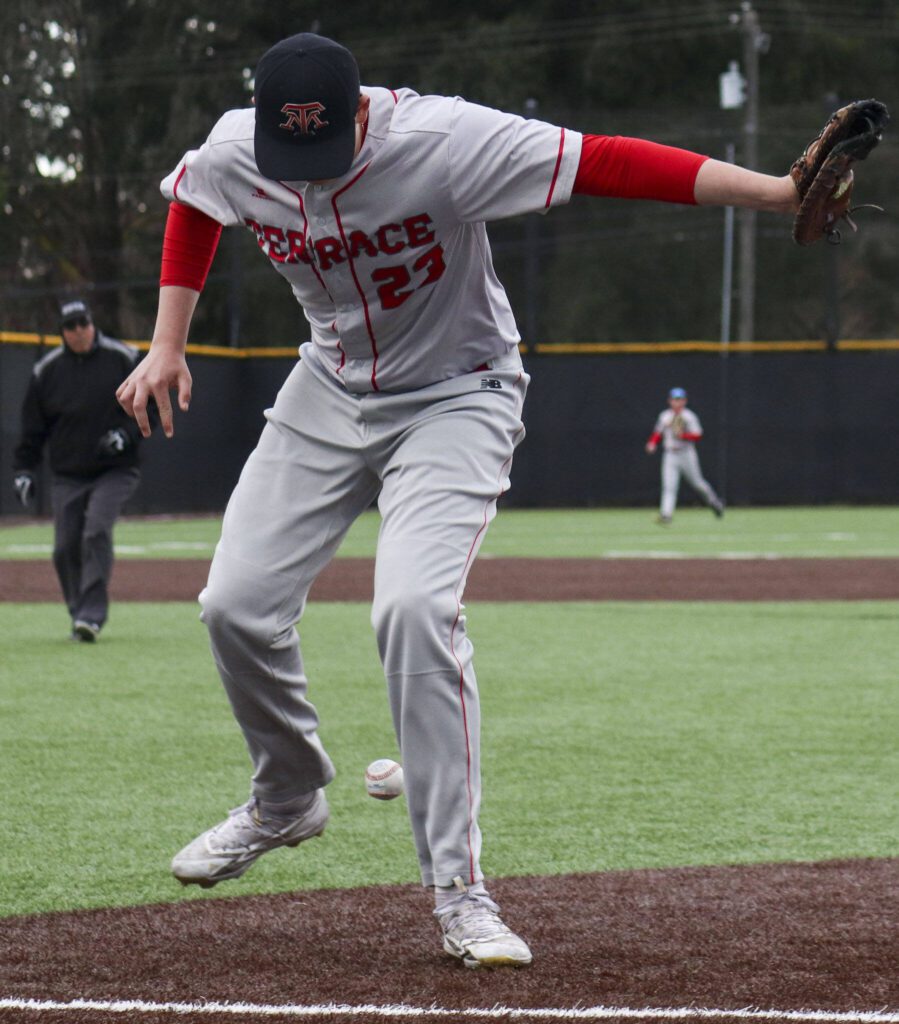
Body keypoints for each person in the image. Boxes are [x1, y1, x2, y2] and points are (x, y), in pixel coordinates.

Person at [116, 32, 799, 968]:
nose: (303, 175)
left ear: (362, 113)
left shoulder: (446, 140)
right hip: (330, 385)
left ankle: (457, 890)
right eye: (289, 155)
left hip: (459, 390)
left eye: (325, 148)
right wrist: (167, 342)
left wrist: (772, 192)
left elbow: (604, 161)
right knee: (233, 606)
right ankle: (287, 799)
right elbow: (196, 199)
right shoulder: (243, 146)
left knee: (413, 609)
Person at [13, 298, 144, 642]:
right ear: (62, 332)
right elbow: (33, 428)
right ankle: (79, 611)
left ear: (92, 323)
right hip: (68, 473)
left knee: (96, 530)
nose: (79, 331)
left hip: (115, 469)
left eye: (83, 323)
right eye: (70, 326)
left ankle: (92, 614)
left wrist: (124, 435)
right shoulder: (47, 371)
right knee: (64, 546)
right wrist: (24, 469)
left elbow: (150, 408)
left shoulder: (123, 357)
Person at [645, 386, 724, 525]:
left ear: (684, 401)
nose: (677, 402)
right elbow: (657, 432)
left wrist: (684, 435)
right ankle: (666, 514)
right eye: (675, 399)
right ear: (669, 401)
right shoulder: (665, 416)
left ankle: (714, 502)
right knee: (669, 486)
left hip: (686, 453)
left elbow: (698, 435)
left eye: (680, 399)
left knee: (698, 484)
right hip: (670, 454)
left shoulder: (689, 416)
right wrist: (652, 443)